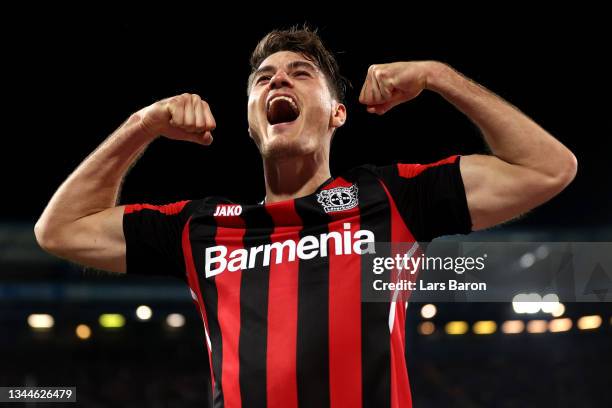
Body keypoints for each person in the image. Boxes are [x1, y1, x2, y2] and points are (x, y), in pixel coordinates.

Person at [35, 26, 577, 408]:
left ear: (337, 112)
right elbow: (59, 228)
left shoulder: (390, 200)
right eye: (263, 78)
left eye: (300, 73)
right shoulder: (201, 230)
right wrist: (142, 124)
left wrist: (439, 76)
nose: (278, 82)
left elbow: (547, 167)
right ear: (251, 119)